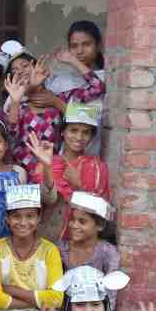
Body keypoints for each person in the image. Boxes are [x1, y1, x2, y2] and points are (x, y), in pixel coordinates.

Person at [26, 101, 111, 240]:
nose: (79, 137)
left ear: (91, 137)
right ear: (62, 132)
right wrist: (47, 166)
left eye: (86, 132)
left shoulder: (97, 167)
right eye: (73, 130)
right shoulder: (47, 162)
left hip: (81, 240)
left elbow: (102, 211)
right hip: (49, 236)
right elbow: (46, 200)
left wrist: (78, 186)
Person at [0, 185, 64, 311]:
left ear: (39, 218)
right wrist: (37, 302)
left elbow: (57, 298)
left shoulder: (49, 250)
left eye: (30, 216)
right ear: (7, 218)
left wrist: (11, 290)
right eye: (16, 216)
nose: (23, 223)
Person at [1, 41, 64, 180]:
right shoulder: (15, 103)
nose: (20, 71)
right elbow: (11, 135)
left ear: (36, 65)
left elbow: (88, 113)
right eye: (15, 70)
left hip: (52, 170)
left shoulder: (57, 94)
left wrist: (57, 102)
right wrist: (18, 99)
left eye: (25, 65)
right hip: (23, 172)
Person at [46, 21, 107, 155]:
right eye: (74, 46)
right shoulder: (61, 81)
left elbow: (91, 115)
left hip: (91, 154)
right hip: (62, 155)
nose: (79, 51)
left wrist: (73, 61)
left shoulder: (106, 78)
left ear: (98, 46)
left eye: (86, 44)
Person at [57, 192, 120, 311]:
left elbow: (110, 296)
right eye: (72, 220)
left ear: (99, 226)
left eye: (82, 222)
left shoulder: (108, 253)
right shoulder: (61, 249)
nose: (74, 225)